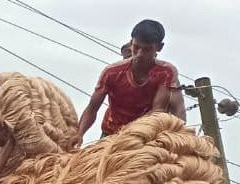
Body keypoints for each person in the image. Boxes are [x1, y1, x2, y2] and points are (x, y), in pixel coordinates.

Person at [73, 19, 186, 147]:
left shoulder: (165, 72)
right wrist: (79, 134)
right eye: (136, 47)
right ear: (131, 43)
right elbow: (92, 108)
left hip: (147, 135)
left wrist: (178, 136)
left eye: (147, 50)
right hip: (111, 134)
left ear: (159, 48)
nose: (139, 54)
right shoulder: (111, 72)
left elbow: (158, 111)